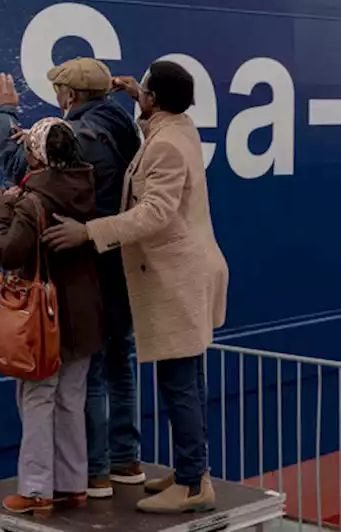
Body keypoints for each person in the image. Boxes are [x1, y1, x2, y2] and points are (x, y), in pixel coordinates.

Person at [43, 61, 228, 514]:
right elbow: (158, 128)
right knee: (187, 379)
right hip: (188, 270)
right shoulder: (177, 127)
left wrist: (90, 232)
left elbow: (155, 214)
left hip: (175, 279)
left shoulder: (165, 146)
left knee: (179, 383)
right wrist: (137, 97)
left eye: (143, 87)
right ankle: (193, 469)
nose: (136, 89)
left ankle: (192, 486)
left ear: (155, 99)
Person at [0, 60, 145, 498]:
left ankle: (91, 474)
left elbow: (18, 167)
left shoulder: (78, 144)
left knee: (83, 378)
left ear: (70, 97)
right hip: (119, 261)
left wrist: (4, 114)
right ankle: (124, 461)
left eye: (58, 92)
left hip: (86, 270)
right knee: (118, 361)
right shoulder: (122, 128)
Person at [0, 117, 105, 514]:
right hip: (85, 315)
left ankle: (36, 490)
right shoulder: (85, 185)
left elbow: (8, 253)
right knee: (71, 399)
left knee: (38, 399)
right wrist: (13, 195)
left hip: (45, 320)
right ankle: (72, 485)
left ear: (36, 157)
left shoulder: (33, 201)